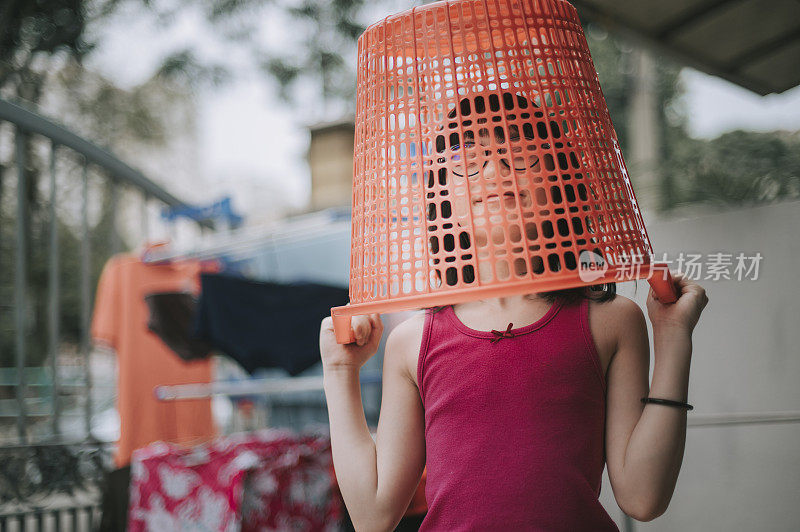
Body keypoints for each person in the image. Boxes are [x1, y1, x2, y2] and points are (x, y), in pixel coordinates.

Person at [319, 92, 709, 531]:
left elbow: (643, 496)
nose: (494, 169)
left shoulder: (611, 320)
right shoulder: (412, 343)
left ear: (562, 180)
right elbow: (373, 516)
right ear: (442, 198)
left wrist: (674, 338)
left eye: (519, 153)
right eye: (468, 159)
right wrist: (338, 373)